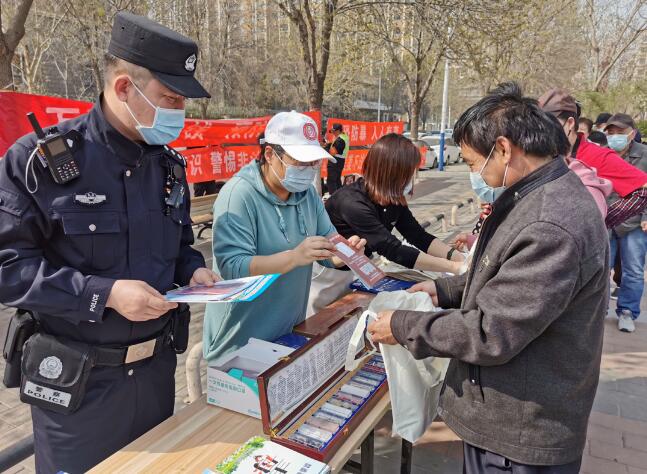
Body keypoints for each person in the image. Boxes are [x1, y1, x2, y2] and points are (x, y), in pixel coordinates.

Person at [0, 12, 219, 473]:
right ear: (124, 87)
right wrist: (105, 294)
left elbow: (179, 244)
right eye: (171, 98)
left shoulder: (167, 166)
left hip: (156, 377)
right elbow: (9, 270)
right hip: (77, 390)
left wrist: (193, 270)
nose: (180, 112)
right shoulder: (38, 163)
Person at [368, 82, 609, 473]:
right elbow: (503, 274)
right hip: (512, 412)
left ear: (503, 149)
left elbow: (490, 332)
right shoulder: (536, 195)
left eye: (470, 162)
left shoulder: (549, 223)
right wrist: (445, 290)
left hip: (521, 431)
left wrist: (402, 325)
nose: (472, 173)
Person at [204, 111, 365, 360]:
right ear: (270, 154)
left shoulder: (307, 195)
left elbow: (327, 245)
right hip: (240, 340)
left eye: (314, 162)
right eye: (300, 161)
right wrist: (294, 257)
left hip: (290, 331)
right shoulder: (239, 195)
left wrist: (344, 254)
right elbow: (233, 267)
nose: (308, 170)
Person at [325, 133, 465, 275]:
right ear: (391, 173)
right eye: (408, 174)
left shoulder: (392, 198)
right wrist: (453, 267)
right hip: (332, 272)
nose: (412, 179)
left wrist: (456, 257)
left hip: (361, 266)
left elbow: (417, 235)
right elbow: (392, 249)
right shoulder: (352, 202)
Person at [538, 89, 647, 229]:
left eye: (548, 125)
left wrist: (603, 220)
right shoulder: (538, 152)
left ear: (570, 123)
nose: (542, 132)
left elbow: (644, 188)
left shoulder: (597, 156)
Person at [605, 113, 647, 333]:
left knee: (633, 270)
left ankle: (627, 311)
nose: (615, 137)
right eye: (611, 132)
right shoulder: (603, 154)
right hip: (606, 219)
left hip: (634, 222)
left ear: (632, 133)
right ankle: (599, 309)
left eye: (620, 132)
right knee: (601, 268)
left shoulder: (644, 155)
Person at [325, 123, 349, 195]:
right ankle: (340, 196)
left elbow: (333, 152)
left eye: (333, 131)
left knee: (331, 181)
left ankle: (333, 198)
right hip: (340, 161)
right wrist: (329, 144)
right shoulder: (344, 136)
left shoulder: (340, 140)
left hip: (335, 161)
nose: (332, 133)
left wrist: (326, 148)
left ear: (338, 130)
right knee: (337, 180)